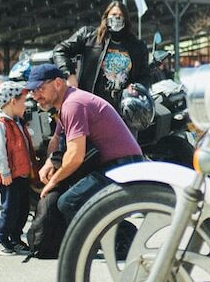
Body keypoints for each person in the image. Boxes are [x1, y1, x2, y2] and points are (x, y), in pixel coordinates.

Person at [27, 63, 143, 224]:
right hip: (116, 164)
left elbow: (75, 155)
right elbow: (57, 139)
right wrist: (49, 163)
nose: (35, 96)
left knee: (69, 202)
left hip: (122, 166)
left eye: (40, 89)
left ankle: (124, 241)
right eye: (32, 91)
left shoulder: (73, 105)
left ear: (58, 83)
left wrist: (53, 182)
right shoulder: (69, 102)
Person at [53, 0, 150, 113]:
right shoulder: (89, 36)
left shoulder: (137, 46)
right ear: (106, 16)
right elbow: (60, 50)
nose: (117, 18)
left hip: (122, 110)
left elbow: (145, 75)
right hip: (91, 106)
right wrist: (69, 74)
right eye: (114, 15)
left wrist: (136, 88)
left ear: (126, 19)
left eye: (121, 16)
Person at [0, 82, 35, 255]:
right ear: (12, 101)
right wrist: (5, 172)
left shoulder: (18, 122)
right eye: (23, 101)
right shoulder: (1, 124)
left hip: (22, 173)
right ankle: (2, 238)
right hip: (9, 174)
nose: (25, 105)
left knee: (23, 207)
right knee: (10, 207)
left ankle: (15, 238)